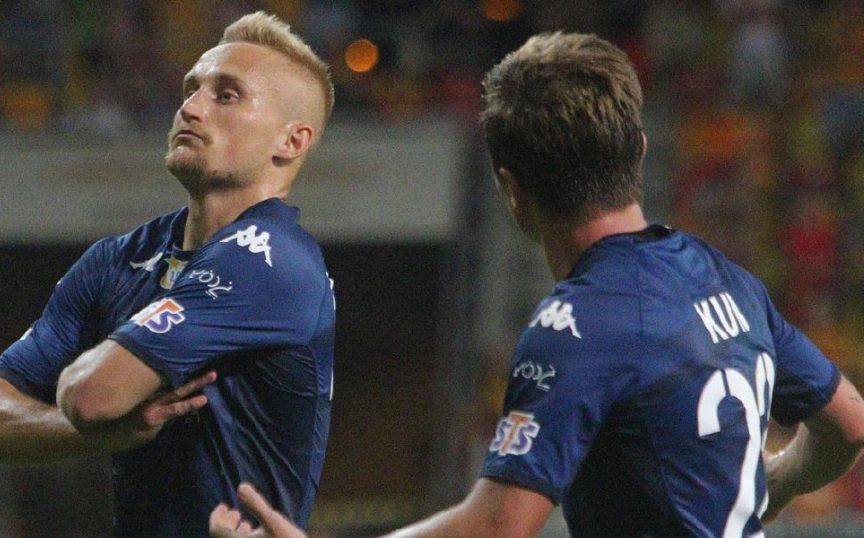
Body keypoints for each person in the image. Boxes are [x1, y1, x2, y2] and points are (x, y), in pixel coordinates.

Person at [209, 31, 864, 538]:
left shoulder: (578, 324)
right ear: (637, 149)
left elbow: (498, 526)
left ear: (511, 189)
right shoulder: (728, 279)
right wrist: (774, 483)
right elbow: (850, 425)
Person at [0, 12, 337, 537]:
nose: (191, 107)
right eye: (191, 89)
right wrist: (98, 435)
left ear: (291, 141)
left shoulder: (273, 262)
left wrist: (96, 410)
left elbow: (91, 395)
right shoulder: (117, 259)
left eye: (227, 96)